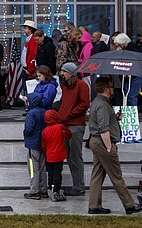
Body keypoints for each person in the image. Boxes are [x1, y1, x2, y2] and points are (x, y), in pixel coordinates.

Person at [88, 77, 142, 215]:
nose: (113, 89)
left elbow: (104, 121)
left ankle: (94, 205)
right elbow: (103, 128)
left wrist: (115, 117)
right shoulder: (102, 104)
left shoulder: (100, 102)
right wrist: (109, 147)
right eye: (111, 87)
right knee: (116, 175)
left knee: (97, 174)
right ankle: (129, 205)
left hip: (97, 142)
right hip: (103, 143)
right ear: (107, 89)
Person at [56, 62, 90, 197]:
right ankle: (77, 185)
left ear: (71, 73)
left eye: (64, 71)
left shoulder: (82, 86)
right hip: (65, 124)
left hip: (76, 125)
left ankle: (79, 186)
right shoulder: (65, 86)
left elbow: (84, 104)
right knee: (70, 157)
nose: (62, 74)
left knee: (75, 157)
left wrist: (69, 113)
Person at [41, 109, 72, 202]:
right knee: (57, 173)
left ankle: (51, 188)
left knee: (51, 173)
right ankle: (56, 191)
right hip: (59, 155)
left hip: (49, 155)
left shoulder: (44, 131)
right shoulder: (60, 127)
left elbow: (43, 145)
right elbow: (69, 135)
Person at [21, 93, 47, 200]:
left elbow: (29, 129)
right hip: (43, 144)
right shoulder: (44, 112)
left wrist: (25, 133)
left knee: (33, 168)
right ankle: (43, 189)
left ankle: (34, 191)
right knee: (42, 167)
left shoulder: (31, 113)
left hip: (33, 144)